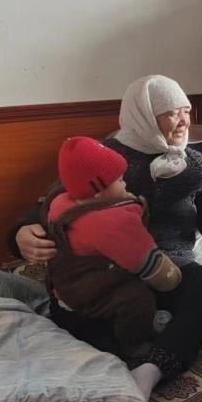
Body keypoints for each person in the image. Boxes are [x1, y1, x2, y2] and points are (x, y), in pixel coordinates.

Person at [7, 75, 202, 398]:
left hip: (170, 274)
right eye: (172, 113)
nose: (184, 120)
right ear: (142, 114)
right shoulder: (103, 158)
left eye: (187, 110)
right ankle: (117, 363)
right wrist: (19, 233)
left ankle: (152, 368)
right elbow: (55, 205)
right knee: (83, 322)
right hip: (105, 279)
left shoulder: (194, 165)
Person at [46, 136, 182, 358]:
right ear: (98, 192)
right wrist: (171, 277)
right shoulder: (110, 223)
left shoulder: (61, 202)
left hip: (64, 286)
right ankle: (135, 347)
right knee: (136, 299)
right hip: (89, 289)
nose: (125, 184)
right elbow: (146, 262)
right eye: (120, 180)